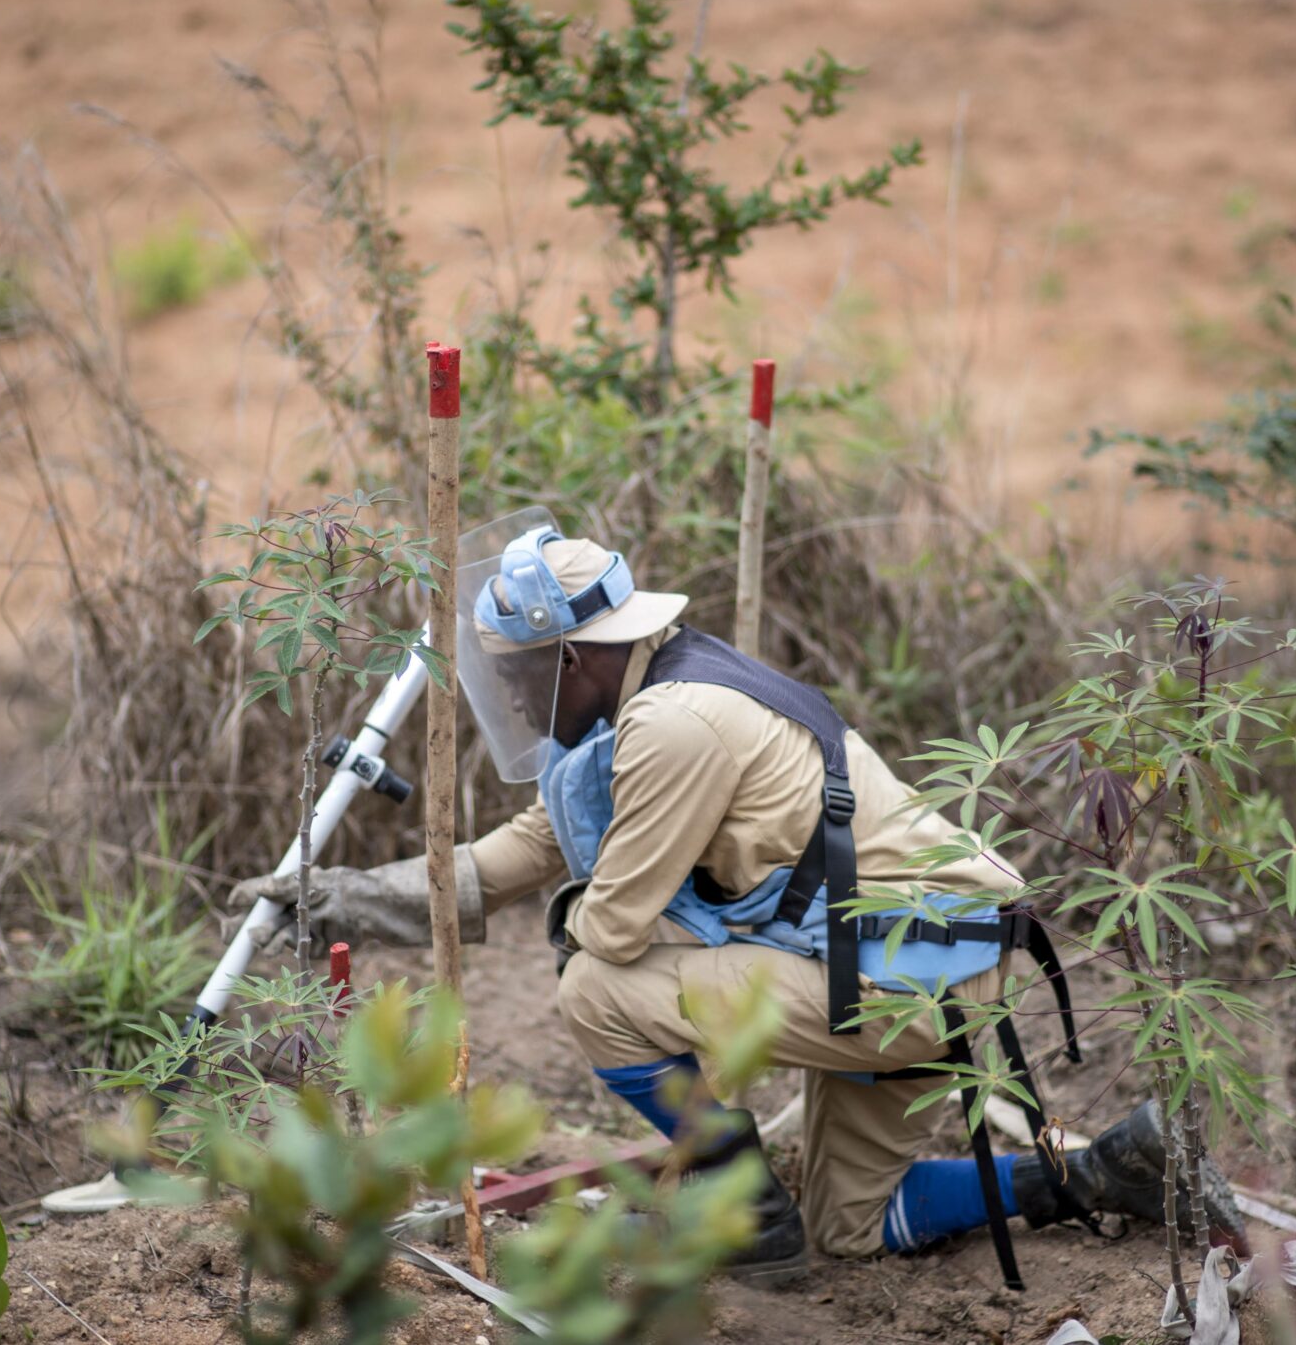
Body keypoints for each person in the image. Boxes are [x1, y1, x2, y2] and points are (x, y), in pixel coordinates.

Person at [229, 515, 1241, 1276]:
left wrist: (570, 921)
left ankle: (740, 1206)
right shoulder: (648, 698)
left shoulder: (675, 724)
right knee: (853, 1229)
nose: (516, 700)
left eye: (520, 675)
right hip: (914, 962)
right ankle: (1101, 1170)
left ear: (573, 656)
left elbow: (613, 922)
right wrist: (351, 894)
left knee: (592, 984)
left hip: (902, 973)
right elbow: (528, 846)